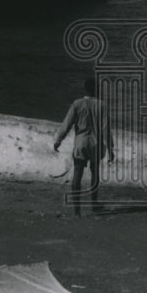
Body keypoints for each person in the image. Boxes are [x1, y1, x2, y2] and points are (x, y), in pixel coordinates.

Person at [54, 77, 114, 216]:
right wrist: (110, 149)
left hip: (81, 142)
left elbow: (66, 125)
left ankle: (77, 210)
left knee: (77, 174)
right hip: (96, 143)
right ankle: (94, 204)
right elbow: (106, 129)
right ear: (96, 90)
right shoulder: (102, 105)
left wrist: (58, 140)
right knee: (95, 173)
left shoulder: (77, 104)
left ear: (85, 89)